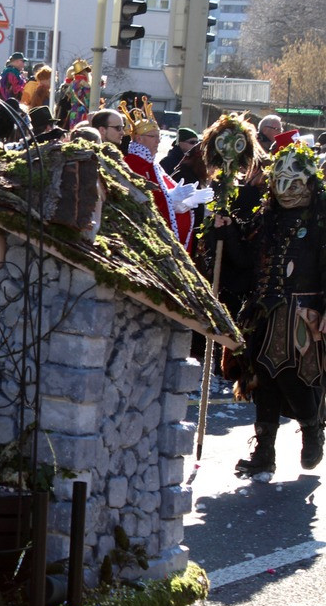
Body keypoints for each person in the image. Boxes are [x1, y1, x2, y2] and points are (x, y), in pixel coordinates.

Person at [215, 142, 326, 477]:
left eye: (294, 185)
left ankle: (312, 432)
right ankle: (264, 452)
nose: (287, 192)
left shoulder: (321, 222)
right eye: (281, 185)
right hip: (263, 312)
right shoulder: (267, 221)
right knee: (261, 378)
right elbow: (245, 262)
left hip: (304, 312)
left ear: (309, 185)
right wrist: (226, 231)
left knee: (293, 377)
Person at [120, 98, 211, 254]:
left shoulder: (152, 165)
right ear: (139, 139)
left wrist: (187, 202)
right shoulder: (133, 164)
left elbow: (166, 195)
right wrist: (171, 199)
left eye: (159, 136)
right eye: (153, 136)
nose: (158, 141)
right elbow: (141, 201)